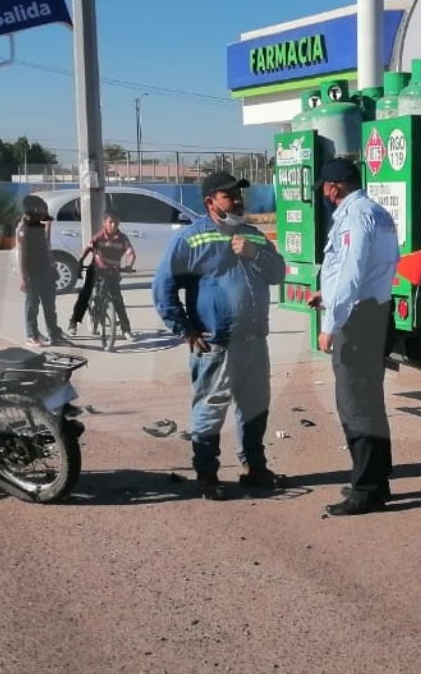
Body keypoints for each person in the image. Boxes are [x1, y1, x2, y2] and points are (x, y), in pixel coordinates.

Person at [152, 172, 287, 500]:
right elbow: (163, 288)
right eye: (228, 195)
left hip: (255, 340)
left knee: (255, 408)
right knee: (211, 409)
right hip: (216, 342)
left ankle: (254, 467)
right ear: (210, 202)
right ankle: (207, 475)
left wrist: (254, 254)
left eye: (239, 194)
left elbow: (278, 272)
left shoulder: (253, 236)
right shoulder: (191, 239)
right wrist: (185, 329)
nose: (237, 199)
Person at [308, 159, 401, 516]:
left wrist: (331, 322)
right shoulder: (377, 211)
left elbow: (350, 271)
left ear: (335, 187)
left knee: (355, 406)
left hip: (357, 321)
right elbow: (378, 266)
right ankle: (377, 481)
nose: (326, 196)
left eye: (326, 189)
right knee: (369, 403)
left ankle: (366, 491)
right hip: (374, 313)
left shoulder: (354, 215)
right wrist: (326, 294)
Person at [69, 209, 137, 341]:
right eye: (111, 222)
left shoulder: (123, 238)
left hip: (112, 272)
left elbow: (131, 253)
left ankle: (126, 330)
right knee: (85, 294)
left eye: (116, 223)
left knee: (118, 300)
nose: (114, 225)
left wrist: (129, 265)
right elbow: (88, 248)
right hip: (96, 269)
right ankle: (74, 322)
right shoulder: (99, 236)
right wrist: (80, 261)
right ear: (104, 223)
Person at [16, 194, 70, 348]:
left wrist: (52, 266)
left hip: (46, 271)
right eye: (41, 208)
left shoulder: (39, 225)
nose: (43, 211)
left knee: (49, 306)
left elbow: (47, 247)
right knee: (32, 306)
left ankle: (54, 334)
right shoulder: (23, 229)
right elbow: (21, 255)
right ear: (32, 209)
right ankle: (32, 336)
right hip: (32, 273)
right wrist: (23, 278)